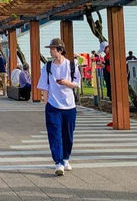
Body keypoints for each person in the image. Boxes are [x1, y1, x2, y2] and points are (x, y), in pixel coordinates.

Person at [37, 38, 81, 176]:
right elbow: (44, 86)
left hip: (69, 106)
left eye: (53, 49)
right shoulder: (47, 67)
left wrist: (66, 83)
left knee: (68, 135)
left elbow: (77, 84)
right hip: (53, 106)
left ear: (60, 50)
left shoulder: (71, 65)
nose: (51, 51)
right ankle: (58, 163)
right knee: (55, 135)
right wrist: (46, 101)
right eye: (50, 49)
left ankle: (66, 158)